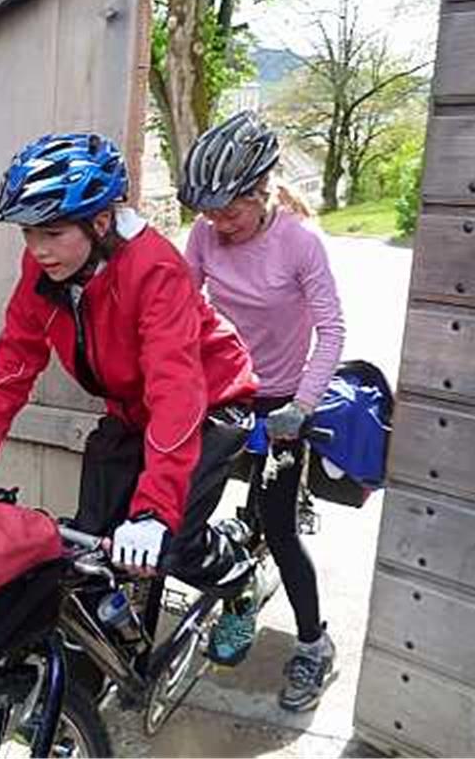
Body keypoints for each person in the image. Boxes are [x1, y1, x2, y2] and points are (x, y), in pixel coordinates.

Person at [0, 131, 260, 597]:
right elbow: (14, 367)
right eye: (28, 232)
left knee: (173, 544)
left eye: (52, 232)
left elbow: (176, 393)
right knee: (90, 549)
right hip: (131, 410)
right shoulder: (46, 267)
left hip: (209, 403)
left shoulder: (154, 269)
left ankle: (239, 576)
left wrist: (154, 511)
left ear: (101, 222)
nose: (38, 248)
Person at [178, 110, 346, 713]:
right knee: (185, 508)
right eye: (209, 211)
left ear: (262, 191)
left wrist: (301, 407)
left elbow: (331, 331)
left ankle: (313, 644)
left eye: (231, 210)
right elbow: (178, 306)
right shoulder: (203, 233)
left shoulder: (299, 243)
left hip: (281, 401)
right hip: (222, 390)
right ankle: (237, 591)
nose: (219, 223)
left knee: (274, 523)